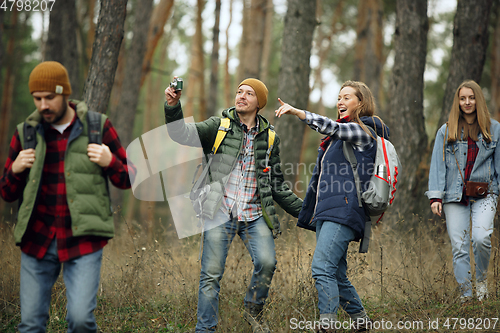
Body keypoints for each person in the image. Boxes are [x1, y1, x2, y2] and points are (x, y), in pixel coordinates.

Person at [0, 61, 135, 332]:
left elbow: (129, 178)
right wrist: (15, 170)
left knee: (81, 321)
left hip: (82, 239)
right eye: (37, 99)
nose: (43, 105)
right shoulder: (25, 132)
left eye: (49, 97)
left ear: (65, 94)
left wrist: (110, 161)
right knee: (30, 326)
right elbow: (6, 192)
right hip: (37, 238)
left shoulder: (97, 126)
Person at [164, 78, 303, 333]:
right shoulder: (220, 126)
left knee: (267, 262)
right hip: (219, 211)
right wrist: (173, 106)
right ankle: (205, 329)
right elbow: (180, 134)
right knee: (211, 276)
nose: (241, 96)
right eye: (239, 91)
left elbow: (278, 187)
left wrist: (309, 214)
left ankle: (252, 312)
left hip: (254, 215)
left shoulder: (270, 138)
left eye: (249, 93)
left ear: (259, 103)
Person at [275, 81, 387, 332]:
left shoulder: (363, 131)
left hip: (345, 210)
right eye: (338, 97)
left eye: (347, 97)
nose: (340, 102)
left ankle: (327, 325)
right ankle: (362, 322)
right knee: (335, 272)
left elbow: (330, 126)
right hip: (329, 211)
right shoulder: (335, 140)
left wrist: (298, 112)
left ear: (361, 103)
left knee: (321, 267)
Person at [426, 80, 499, 302]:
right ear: (458, 101)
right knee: (459, 246)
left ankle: (481, 282)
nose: (467, 102)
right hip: (453, 195)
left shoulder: (494, 129)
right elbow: (437, 165)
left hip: (485, 194)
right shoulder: (446, 130)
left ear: (478, 99)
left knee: (481, 237)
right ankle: (466, 295)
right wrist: (435, 197)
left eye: (471, 97)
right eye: (463, 98)